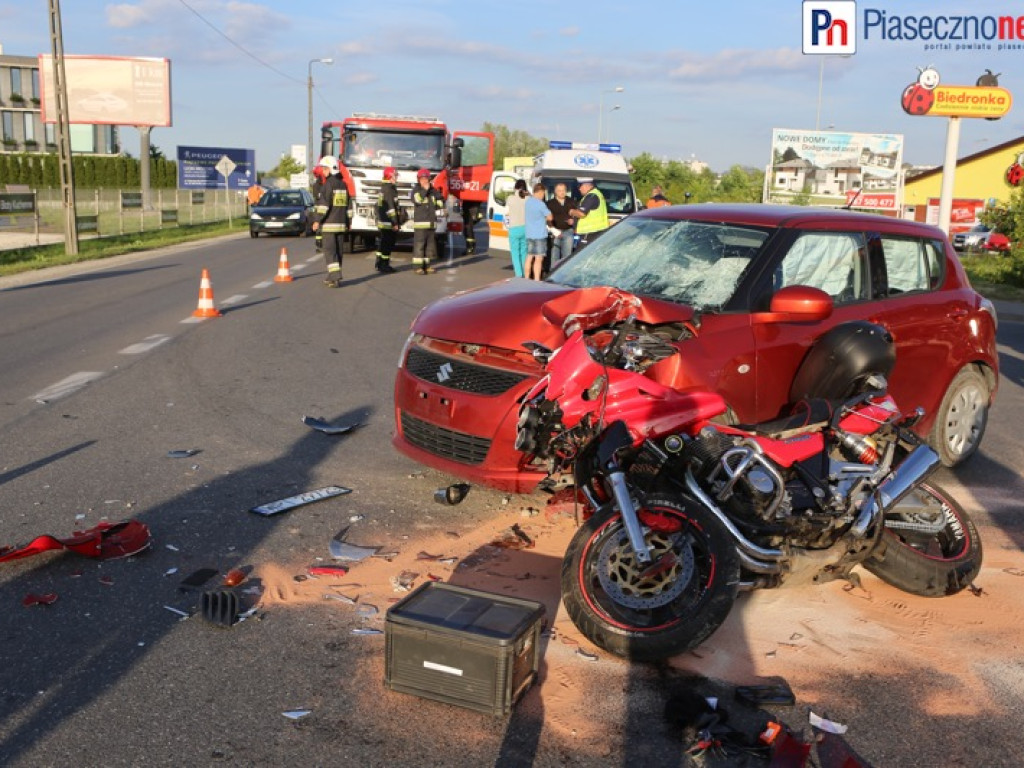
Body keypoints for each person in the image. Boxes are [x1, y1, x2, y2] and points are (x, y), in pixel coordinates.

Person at [311, 156, 351, 288]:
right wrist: (348, 221)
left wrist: (317, 220)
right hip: (341, 224)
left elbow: (323, 205)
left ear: (330, 169)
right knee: (338, 252)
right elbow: (349, 206)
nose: (323, 171)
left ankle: (335, 277)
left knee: (329, 251)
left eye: (324, 168)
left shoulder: (328, 184)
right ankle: (332, 276)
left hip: (329, 224)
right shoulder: (343, 184)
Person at [411, 168, 445, 274]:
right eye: (422, 178)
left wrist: (440, 206)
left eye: (426, 178)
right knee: (419, 246)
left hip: (431, 223)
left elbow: (440, 200)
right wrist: (425, 190)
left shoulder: (433, 191)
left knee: (430, 246)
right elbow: (417, 200)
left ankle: (427, 266)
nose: (425, 181)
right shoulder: (416, 190)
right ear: (418, 179)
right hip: (421, 224)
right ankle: (418, 267)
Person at [570, 177, 609, 250]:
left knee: (582, 256)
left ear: (587, 185)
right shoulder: (597, 194)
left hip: (589, 234)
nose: (579, 189)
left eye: (580, 186)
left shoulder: (591, 196)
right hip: (596, 232)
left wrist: (572, 212)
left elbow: (581, 214)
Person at [524, 183, 553, 280]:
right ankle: (536, 279)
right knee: (538, 258)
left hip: (529, 234)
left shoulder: (528, 202)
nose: (543, 195)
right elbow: (550, 217)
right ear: (540, 192)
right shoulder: (541, 204)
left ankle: (527, 278)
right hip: (539, 235)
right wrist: (545, 219)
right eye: (543, 193)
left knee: (529, 257)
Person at [375, 166, 399, 273]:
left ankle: (379, 263)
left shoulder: (384, 188)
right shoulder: (390, 189)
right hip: (388, 222)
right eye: (395, 175)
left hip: (383, 221)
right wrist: (395, 222)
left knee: (383, 243)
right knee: (387, 244)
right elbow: (391, 208)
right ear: (390, 176)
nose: (397, 178)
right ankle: (384, 265)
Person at [546, 182, 576, 269]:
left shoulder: (571, 201)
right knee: (554, 256)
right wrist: (553, 230)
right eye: (559, 191)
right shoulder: (549, 203)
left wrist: (573, 220)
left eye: (563, 190)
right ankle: (553, 275)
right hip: (555, 232)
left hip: (568, 231)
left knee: (567, 256)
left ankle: (565, 274)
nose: (562, 192)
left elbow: (577, 214)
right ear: (555, 192)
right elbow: (547, 219)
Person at [505, 179, 528, 277]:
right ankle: (524, 272)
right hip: (526, 228)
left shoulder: (510, 198)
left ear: (516, 187)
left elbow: (507, 211)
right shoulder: (528, 199)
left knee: (515, 253)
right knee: (524, 252)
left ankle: (518, 274)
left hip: (514, 228)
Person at [310, 163, 328, 254]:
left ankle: (319, 245)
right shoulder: (317, 185)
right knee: (319, 229)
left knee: (319, 229)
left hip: (318, 209)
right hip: (319, 209)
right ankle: (319, 245)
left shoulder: (318, 184)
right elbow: (318, 197)